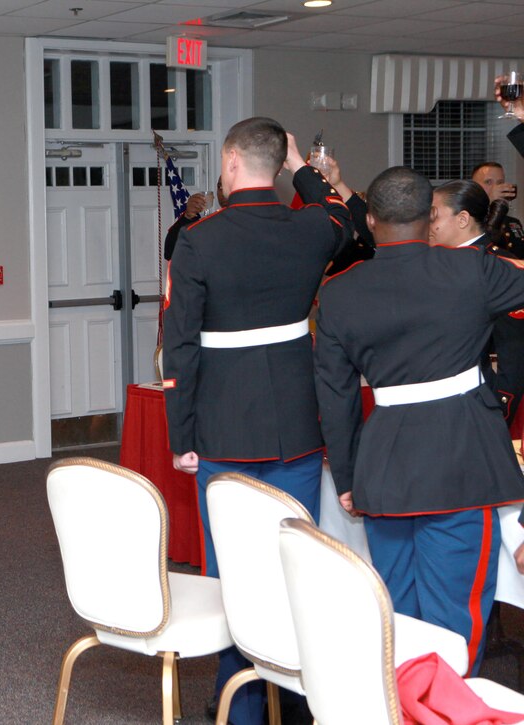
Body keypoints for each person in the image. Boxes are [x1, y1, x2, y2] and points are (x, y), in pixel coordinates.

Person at [162, 117, 354, 725]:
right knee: (294, 568)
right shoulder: (312, 228)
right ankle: (297, 707)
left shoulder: (200, 240)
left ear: (230, 162)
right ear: (280, 166)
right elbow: (344, 215)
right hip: (297, 424)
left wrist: (181, 435)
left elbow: (181, 347)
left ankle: (241, 707)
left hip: (224, 430)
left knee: (234, 580)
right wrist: (305, 168)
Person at [314, 166, 524, 676]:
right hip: (462, 463)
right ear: (430, 217)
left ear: (370, 218)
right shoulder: (470, 271)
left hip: (384, 467)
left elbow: (336, 398)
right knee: (454, 615)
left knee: (398, 613)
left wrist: (347, 477)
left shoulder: (339, 292)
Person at [430, 180, 524, 423]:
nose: (426, 225)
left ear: (462, 220)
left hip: (475, 404)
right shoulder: (435, 263)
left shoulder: (498, 267)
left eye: (433, 217)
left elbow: (513, 354)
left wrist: (497, 411)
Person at [470, 161, 524, 258]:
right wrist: (490, 201)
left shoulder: (513, 222)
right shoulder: (467, 219)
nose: (496, 187)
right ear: (474, 187)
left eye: (500, 182)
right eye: (488, 182)